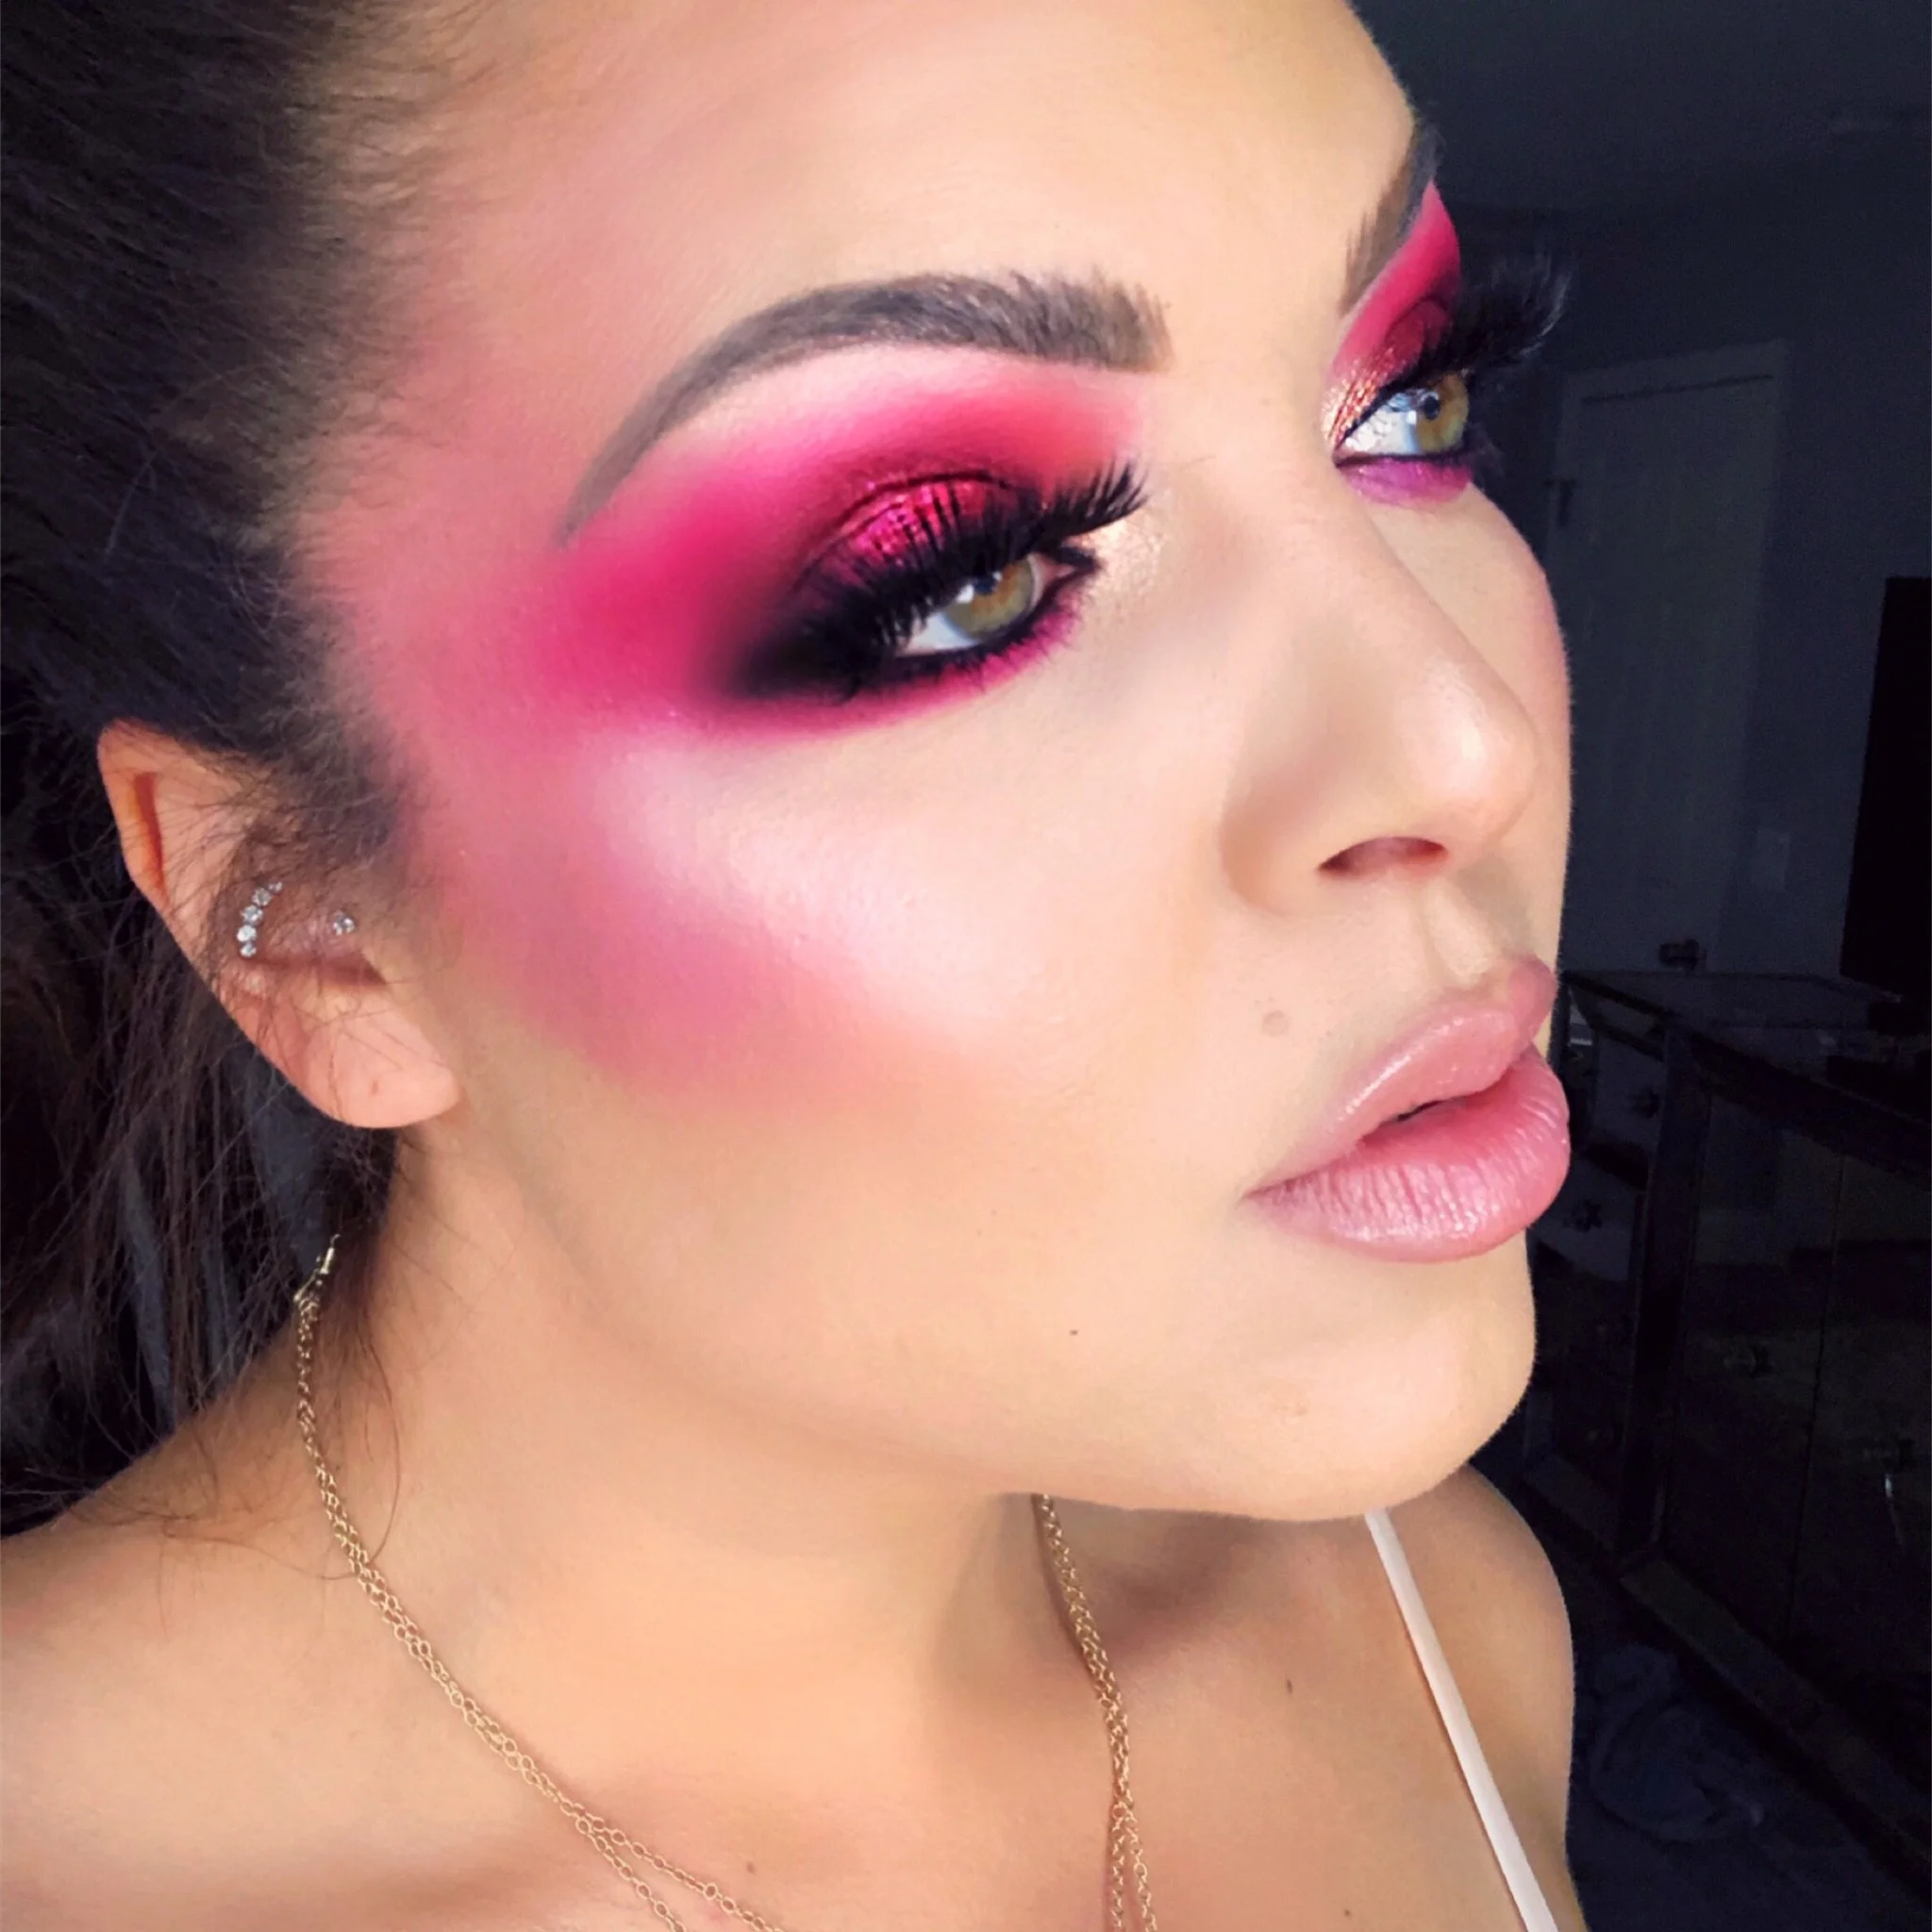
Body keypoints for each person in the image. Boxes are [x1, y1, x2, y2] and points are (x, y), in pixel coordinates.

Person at [1, 0, 1587, 1924]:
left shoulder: (1437, 1627)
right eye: (963, 580)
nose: (1459, 744)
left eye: (1406, 399)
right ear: (309, 918)